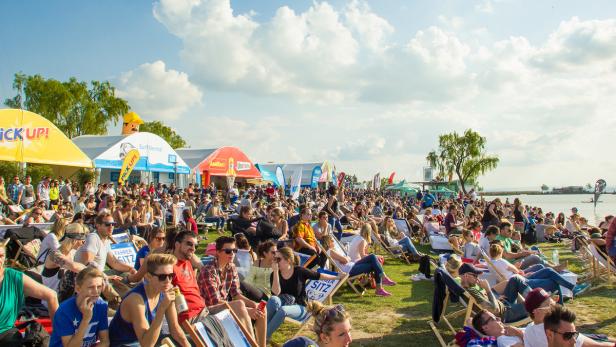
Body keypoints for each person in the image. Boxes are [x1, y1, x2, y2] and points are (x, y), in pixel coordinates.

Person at [198, 236, 267, 347]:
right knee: (240, 305)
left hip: (225, 306)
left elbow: (236, 294)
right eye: (228, 251)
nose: (232, 254)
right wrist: (245, 310)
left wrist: (253, 304)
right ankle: (253, 345)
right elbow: (214, 302)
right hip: (208, 311)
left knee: (261, 308)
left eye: (234, 251)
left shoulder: (231, 267)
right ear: (218, 252)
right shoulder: (208, 271)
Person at [109, 253, 190, 347]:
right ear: (148, 277)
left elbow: (175, 329)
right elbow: (147, 344)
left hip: (146, 341)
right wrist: (162, 307)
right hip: (126, 344)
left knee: (189, 340)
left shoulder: (166, 290)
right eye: (162, 277)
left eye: (171, 275)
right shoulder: (135, 300)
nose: (168, 281)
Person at [266, 247, 341, 339]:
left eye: (278, 259)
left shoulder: (299, 271)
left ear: (288, 260)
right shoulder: (274, 274)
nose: (275, 262)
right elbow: (276, 293)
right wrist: (276, 272)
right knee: (273, 299)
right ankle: (261, 333)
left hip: (300, 307)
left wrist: (337, 277)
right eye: (274, 259)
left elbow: (319, 276)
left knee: (283, 310)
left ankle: (262, 337)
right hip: (283, 302)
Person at [0, 243, 59, 343]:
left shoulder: (13, 277)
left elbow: (51, 296)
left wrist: (59, 334)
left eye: (1, 255)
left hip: (6, 333)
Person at [75, 210, 137, 298]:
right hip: (88, 277)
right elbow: (87, 263)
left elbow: (114, 262)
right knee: (123, 288)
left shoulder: (105, 240)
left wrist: (131, 268)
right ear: (98, 225)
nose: (111, 227)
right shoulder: (93, 237)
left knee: (125, 272)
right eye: (107, 224)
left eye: (113, 224)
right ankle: (121, 299)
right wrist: (107, 277)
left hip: (99, 274)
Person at [522, 288, 611, 347]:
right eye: (549, 305)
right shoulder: (557, 330)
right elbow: (596, 345)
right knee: (603, 340)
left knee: (599, 336)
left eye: (554, 302)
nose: (555, 306)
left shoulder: (529, 330)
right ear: (536, 311)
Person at [49, 267, 110, 347]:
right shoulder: (64, 311)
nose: (96, 291)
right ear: (78, 288)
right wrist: (86, 319)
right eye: (91, 287)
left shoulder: (101, 306)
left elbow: (105, 342)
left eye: (99, 287)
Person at [321, 234, 395, 296]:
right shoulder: (330, 251)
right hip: (349, 270)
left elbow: (347, 258)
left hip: (352, 265)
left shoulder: (333, 250)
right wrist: (346, 258)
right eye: (332, 240)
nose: (333, 242)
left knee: (372, 257)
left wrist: (346, 258)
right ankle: (380, 285)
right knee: (374, 264)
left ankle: (382, 281)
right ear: (328, 242)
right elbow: (345, 259)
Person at [171, 231, 206, 323]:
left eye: (196, 246)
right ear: (177, 245)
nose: (193, 249)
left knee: (239, 305)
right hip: (191, 317)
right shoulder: (169, 267)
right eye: (189, 244)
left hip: (203, 310)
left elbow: (200, 265)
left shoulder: (187, 263)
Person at [43, 223, 87, 296]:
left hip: (64, 298)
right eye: (83, 240)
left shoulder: (71, 253)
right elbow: (73, 267)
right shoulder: (54, 255)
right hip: (50, 302)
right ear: (74, 240)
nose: (83, 243)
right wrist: (96, 272)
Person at [283, 300, 352, 347]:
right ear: (325, 338)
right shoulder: (301, 344)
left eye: (349, 331)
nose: (349, 339)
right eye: (342, 334)